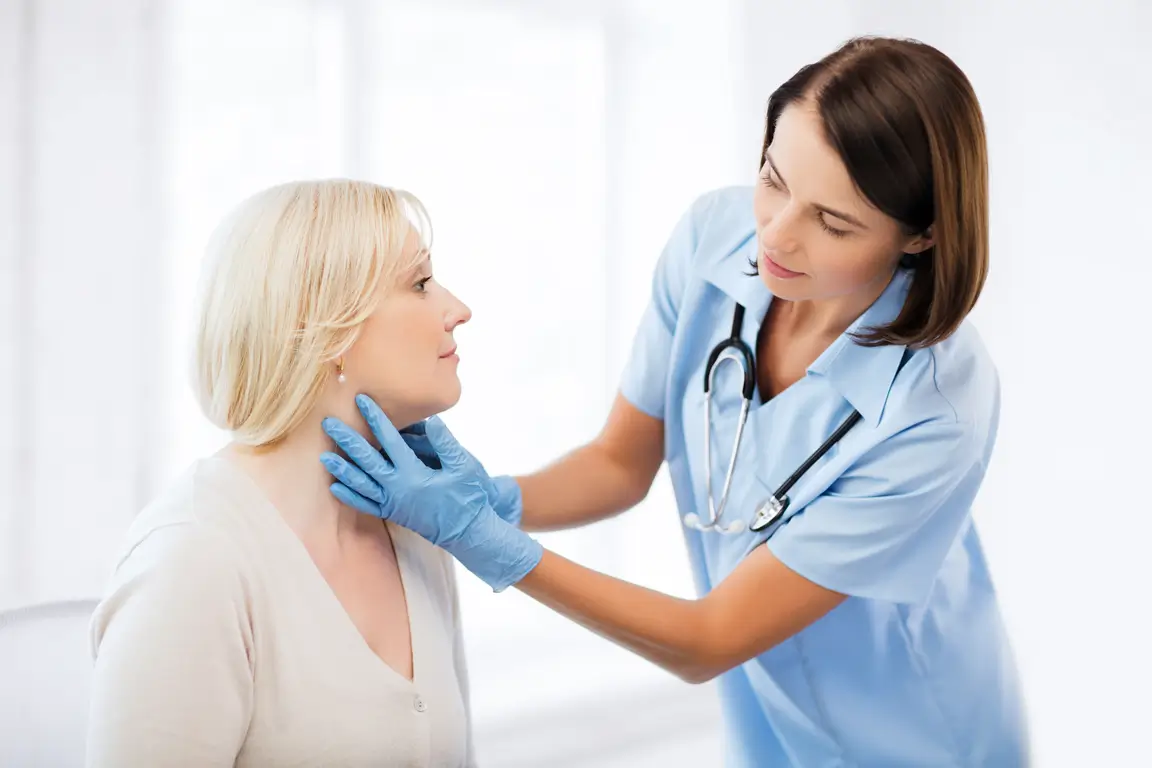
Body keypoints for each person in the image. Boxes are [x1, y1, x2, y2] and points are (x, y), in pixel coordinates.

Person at [323, 36, 1029, 767]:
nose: (777, 235)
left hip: (914, 732)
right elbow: (619, 463)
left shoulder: (937, 408)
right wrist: (496, 497)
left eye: (833, 222)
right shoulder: (712, 241)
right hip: (766, 711)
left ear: (923, 235)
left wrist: (481, 539)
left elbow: (707, 641)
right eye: (774, 179)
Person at [86, 180, 482, 766]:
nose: (458, 310)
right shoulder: (195, 563)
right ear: (330, 333)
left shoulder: (416, 530)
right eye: (420, 284)